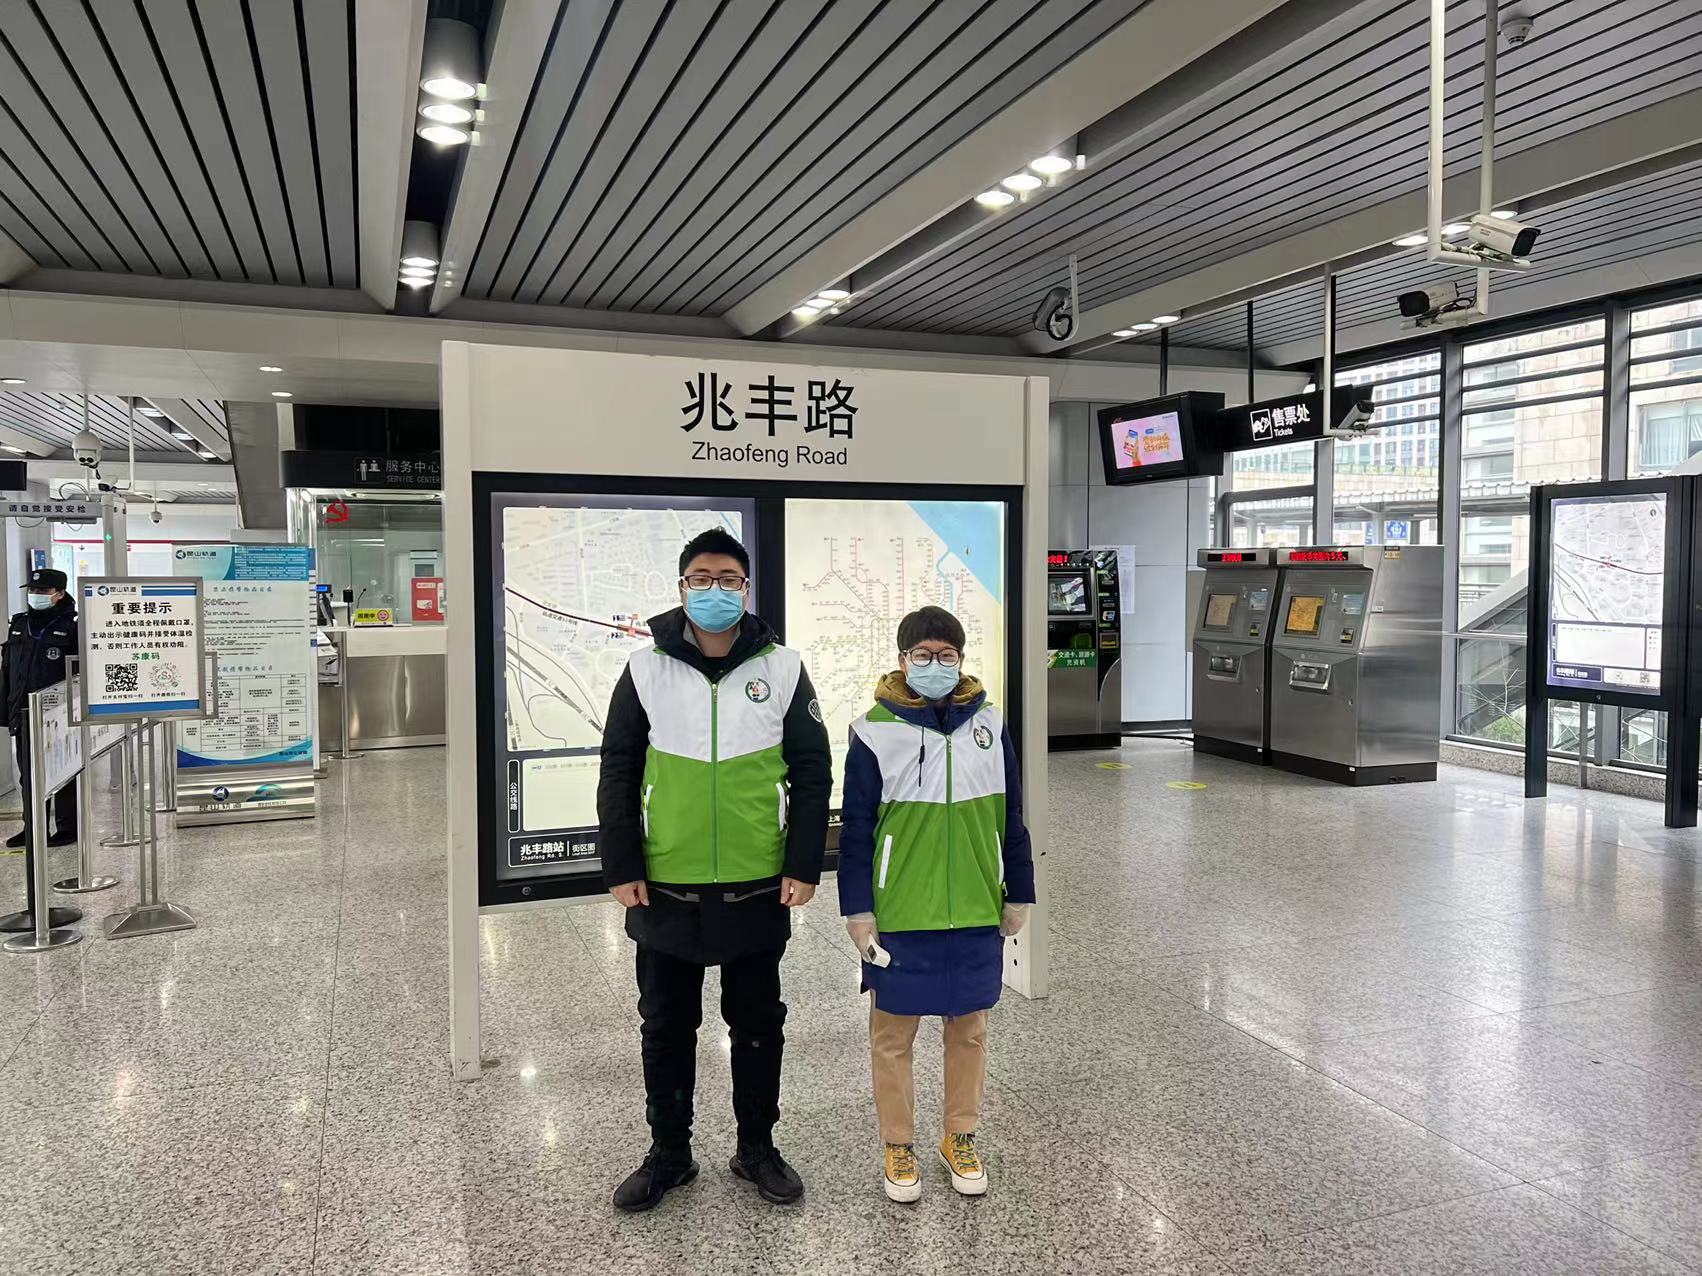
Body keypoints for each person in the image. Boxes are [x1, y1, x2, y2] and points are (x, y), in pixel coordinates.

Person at [597, 527, 832, 1213]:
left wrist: (803, 862)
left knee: (758, 1024)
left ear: (746, 589)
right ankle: (669, 1154)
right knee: (665, 1027)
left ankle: (756, 1148)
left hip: (757, 880)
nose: (714, 590)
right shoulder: (645, 669)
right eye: (701, 578)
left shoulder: (782, 668)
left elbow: (812, 770)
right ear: (682, 588)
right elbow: (618, 768)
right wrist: (622, 863)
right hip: (664, 881)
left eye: (728, 579)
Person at [838, 605, 1035, 1203]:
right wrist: (858, 910)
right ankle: (898, 1144)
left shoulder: (990, 726)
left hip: (975, 907)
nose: (934, 664)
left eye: (946, 655)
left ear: (961, 659)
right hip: (901, 913)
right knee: (892, 1035)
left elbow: (1012, 816)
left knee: (969, 1031)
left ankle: (959, 1136)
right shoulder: (873, 731)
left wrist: (1019, 890)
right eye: (922, 655)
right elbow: (856, 833)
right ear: (902, 660)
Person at [3, 568, 79, 851]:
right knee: (29, 775)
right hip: (24, 712)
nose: (35, 595)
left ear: (59, 594)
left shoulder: (72, 626)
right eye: (33, 590)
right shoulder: (19, 624)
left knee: (64, 771)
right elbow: (8, 670)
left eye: (43, 591)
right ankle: (33, 828)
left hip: (60, 713)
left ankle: (68, 827)